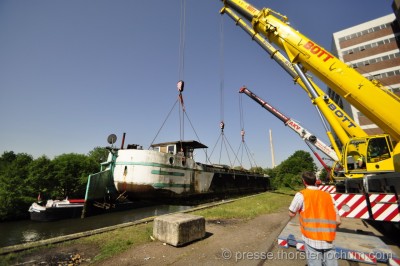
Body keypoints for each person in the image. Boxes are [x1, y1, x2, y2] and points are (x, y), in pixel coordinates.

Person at [289, 171, 341, 266]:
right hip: (329, 239)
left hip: (311, 240)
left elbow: (291, 213)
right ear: (316, 181)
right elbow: (338, 220)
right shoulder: (327, 195)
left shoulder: (301, 195)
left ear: (304, 182)